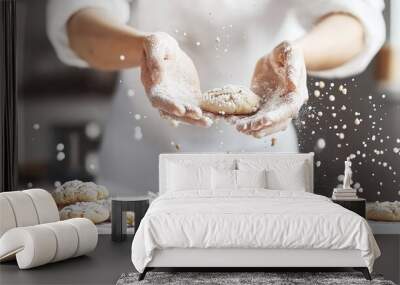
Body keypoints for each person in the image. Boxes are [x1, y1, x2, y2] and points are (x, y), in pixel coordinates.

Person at [47, 0, 385, 196]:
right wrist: (145, 50)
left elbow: (355, 21)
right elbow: (77, 20)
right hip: (142, 168)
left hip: (265, 165)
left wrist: (296, 55)